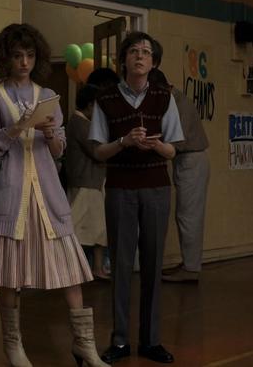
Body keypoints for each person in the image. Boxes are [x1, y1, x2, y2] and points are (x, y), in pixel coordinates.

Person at [0, 23, 108, 367]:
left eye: (30, 55)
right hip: (11, 195)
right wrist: (19, 126)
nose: (24, 62)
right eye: (18, 55)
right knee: (11, 274)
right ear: (5, 58)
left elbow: (58, 150)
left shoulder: (48, 97)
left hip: (48, 195)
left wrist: (51, 134)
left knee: (70, 270)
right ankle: (13, 346)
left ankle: (85, 345)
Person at [89, 32, 184, 364]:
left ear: (153, 62)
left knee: (153, 263)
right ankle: (119, 341)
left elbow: (173, 148)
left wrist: (157, 145)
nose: (140, 57)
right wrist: (124, 142)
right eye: (133, 51)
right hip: (119, 188)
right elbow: (100, 151)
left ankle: (151, 340)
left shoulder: (163, 97)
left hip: (157, 186)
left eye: (146, 52)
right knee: (122, 264)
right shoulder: (106, 98)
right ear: (124, 60)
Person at [146, 69, 211, 284]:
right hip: (187, 159)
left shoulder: (177, 103)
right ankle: (189, 263)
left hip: (190, 158)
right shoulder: (176, 98)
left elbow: (178, 140)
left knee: (188, 216)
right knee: (185, 214)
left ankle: (191, 268)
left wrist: (152, 142)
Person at [66, 84, 109, 279]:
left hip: (91, 182)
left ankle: (97, 268)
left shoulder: (81, 123)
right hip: (85, 182)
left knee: (98, 230)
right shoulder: (80, 123)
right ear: (90, 105)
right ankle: (74, 270)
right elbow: (97, 151)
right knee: (75, 229)